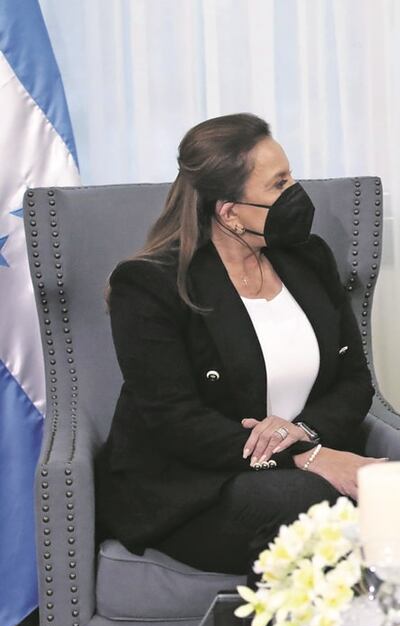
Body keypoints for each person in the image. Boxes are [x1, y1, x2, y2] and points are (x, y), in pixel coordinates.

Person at [96, 113, 383, 576]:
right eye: (278, 184)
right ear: (229, 212)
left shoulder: (309, 259)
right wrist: (307, 457)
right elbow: (176, 421)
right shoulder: (148, 285)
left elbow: (353, 380)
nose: (295, 194)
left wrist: (306, 432)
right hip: (194, 487)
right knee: (311, 506)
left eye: (291, 176)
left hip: (296, 468)